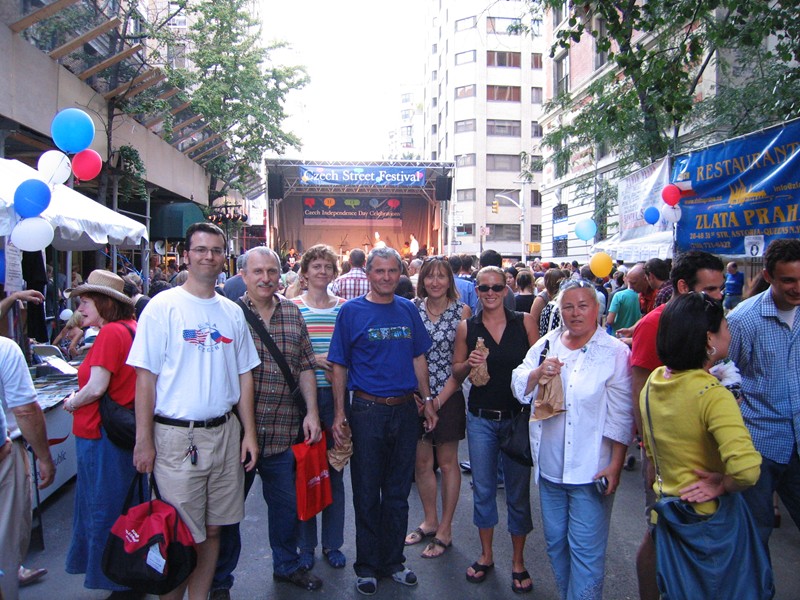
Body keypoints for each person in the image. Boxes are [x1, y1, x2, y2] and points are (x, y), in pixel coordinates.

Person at [127, 222, 261, 600]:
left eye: (216, 250)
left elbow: (244, 376)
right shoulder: (162, 307)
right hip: (174, 438)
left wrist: (248, 433)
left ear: (225, 258)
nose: (208, 256)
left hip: (224, 435)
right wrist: (144, 441)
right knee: (180, 535)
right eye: (201, 249)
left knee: (215, 530)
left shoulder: (232, 312)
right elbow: (145, 380)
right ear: (187, 255)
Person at [212, 247, 324, 596]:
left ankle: (286, 565)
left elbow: (305, 365)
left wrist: (312, 412)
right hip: (238, 436)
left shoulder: (293, 313)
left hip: (283, 431)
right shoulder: (228, 314)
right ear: (242, 275)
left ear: (282, 274)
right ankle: (219, 581)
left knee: (285, 508)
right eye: (257, 271)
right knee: (228, 514)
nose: (266, 278)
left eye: (272, 272)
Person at [512, 279, 633, 600]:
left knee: (586, 551)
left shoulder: (616, 353)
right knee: (556, 544)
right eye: (568, 306)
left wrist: (616, 464)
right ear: (559, 309)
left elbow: (622, 415)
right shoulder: (547, 344)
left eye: (583, 306)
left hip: (590, 469)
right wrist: (537, 375)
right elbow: (519, 380)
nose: (575, 313)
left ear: (597, 309)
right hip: (551, 468)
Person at [328, 247, 437, 596]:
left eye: (392, 271)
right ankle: (367, 565)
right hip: (367, 411)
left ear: (399, 273)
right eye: (380, 271)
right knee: (365, 491)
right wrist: (341, 413)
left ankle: (394, 562)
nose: (386, 277)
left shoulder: (407, 309)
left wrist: (428, 400)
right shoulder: (350, 312)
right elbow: (339, 366)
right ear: (368, 274)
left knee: (397, 492)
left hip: (406, 411)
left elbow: (418, 357)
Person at [639, 293, 762, 593]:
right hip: (708, 522)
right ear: (710, 338)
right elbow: (746, 470)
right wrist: (723, 484)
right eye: (725, 327)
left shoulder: (655, 381)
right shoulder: (712, 394)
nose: (729, 334)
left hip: (667, 511)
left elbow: (652, 455)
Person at [629, 251, 725, 600]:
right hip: (667, 459)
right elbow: (640, 388)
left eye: (720, 290)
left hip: (709, 453)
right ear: (684, 286)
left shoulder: (713, 321)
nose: (717, 297)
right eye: (709, 289)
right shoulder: (653, 324)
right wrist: (650, 449)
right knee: (660, 530)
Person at [453, 266, 537, 593]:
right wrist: (469, 363)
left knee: (517, 492)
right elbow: (457, 371)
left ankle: (518, 560)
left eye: (496, 287)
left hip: (517, 418)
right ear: (476, 289)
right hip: (481, 417)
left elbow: (538, 366)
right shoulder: (467, 327)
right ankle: (486, 555)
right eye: (484, 288)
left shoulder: (524, 322)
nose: (490, 293)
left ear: (506, 289)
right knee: (484, 489)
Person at [60, 270, 141, 599]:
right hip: (119, 434)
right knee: (123, 507)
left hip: (101, 435)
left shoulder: (110, 334)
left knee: (103, 510)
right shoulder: (131, 329)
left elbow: (95, 388)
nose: (80, 307)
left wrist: (71, 402)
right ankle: (128, 575)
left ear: (105, 302)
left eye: (85, 300)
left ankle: (116, 580)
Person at [727, 238, 800, 551]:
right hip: (760, 446)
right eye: (789, 280)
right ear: (769, 276)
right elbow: (723, 378)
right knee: (754, 537)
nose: (798, 287)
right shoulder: (743, 320)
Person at [404, 258, 471, 558]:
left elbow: (460, 366)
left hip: (448, 395)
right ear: (421, 280)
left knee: (447, 463)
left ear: (450, 281)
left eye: (441, 277)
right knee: (421, 463)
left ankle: (445, 527)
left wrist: (438, 400)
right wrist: (420, 398)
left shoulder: (462, 312)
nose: (435, 282)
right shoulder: (411, 308)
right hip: (416, 397)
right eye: (429, 276)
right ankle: (429, 520)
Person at [292, 245, 348, 571]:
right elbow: (292, 354)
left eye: (328, 266)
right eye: (316, 265)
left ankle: (333, 544)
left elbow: (351, 354)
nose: (322, 271)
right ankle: (305, 546)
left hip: (338, 399)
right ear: (305, 271)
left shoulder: (345, 309)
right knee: (306, 473)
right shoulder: (292, 308)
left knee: (336, 473)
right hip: (304, 400)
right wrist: (316, 360)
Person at [0, 337, 55, 600]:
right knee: (5, 545)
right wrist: (44, 456)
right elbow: (24, 410)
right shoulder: (5, 349)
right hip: (4, 455)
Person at [606, 271, 642, 335]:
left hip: (618, 335)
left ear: (625, 278)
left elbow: (610, 320)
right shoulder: (642, 296)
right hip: (635, 334)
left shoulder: (618, 295)